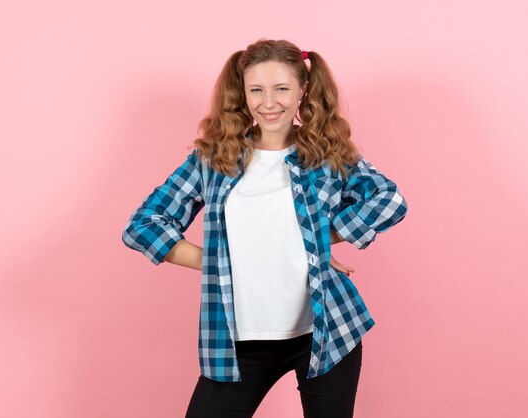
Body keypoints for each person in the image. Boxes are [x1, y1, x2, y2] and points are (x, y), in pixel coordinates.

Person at [122, 39, 408, 418]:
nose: (268, 102)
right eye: (256, 89)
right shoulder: (212, 158)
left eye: (281, 89)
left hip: (326, 331)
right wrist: (220, 261)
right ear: (242, 93)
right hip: (238, 341)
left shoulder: (325, 154)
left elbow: (389, 200)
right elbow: (143, 225)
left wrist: (319, 239)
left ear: (303, 90)